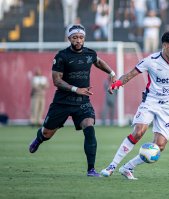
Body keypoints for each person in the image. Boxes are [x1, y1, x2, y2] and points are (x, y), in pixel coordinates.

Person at [28, 24, 117, 177]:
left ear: (84, 38)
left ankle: (91, 169)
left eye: (81, 37)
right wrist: (76, 89)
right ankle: (39, 138)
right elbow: (57, 81)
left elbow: (98, 61)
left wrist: (112, 73)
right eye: (74, 37)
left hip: (82, 101)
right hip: (62, 101)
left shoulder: (90, 53)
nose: (78, 40)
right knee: (48, 133)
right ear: (68, 38)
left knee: (89, 128)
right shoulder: (61, 56)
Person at [100, 31, 169, 180]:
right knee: (139, 131)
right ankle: (112, 166)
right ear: (165, 45)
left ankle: (128, 167)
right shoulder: (151, 60)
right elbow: (130, 75)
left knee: (159, 147)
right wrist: (116, 84)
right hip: (150, 102)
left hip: (168, 107)